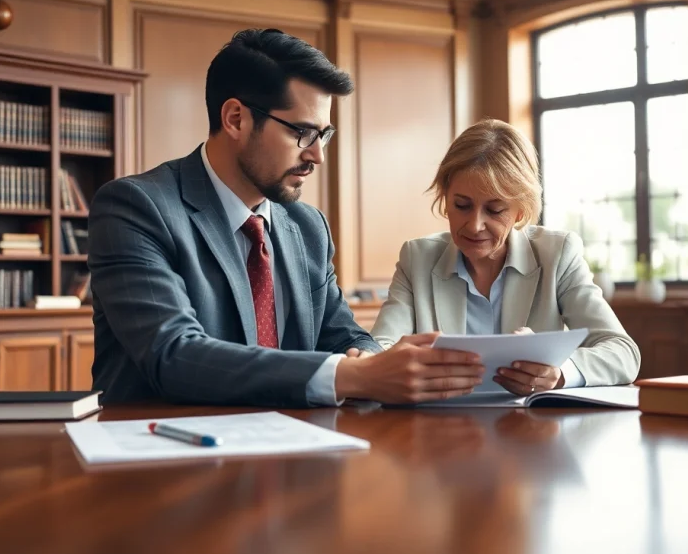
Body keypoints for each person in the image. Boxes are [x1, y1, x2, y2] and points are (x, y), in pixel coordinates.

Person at [87, 28, 483, 407]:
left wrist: (369, 360)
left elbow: (341, 334)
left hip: (295, 455)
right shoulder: (136, 207)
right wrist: (354, 377)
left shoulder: (308, 227)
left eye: (323, 135)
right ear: (236, 119)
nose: (317, 156)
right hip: (163, 460)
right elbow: (173, 354)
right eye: (303, 133)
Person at [369, 119, 640, 395]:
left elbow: (623, 352)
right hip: (439, 426)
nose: (474, 225)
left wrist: (559, 373)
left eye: (495, 210)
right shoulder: (417, 258)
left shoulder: (558, 254)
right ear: (445, 198)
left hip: (531, 429)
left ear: (521, 212)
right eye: (461, 205)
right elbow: (379, 347)